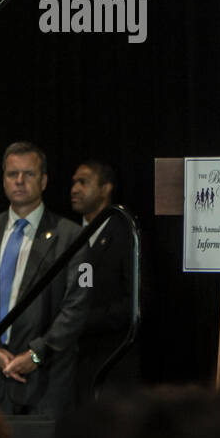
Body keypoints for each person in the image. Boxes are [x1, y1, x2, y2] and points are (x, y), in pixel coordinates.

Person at [0, 142, 90, 417]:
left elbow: (77, 305)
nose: (19, 181)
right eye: (12, 174)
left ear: (44, 180)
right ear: (3, 180)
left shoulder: (71, 236)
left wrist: (37, 353)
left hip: (45, 382)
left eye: (29, 174)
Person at [69, 160, 140, 403]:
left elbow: (135, 301)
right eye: (74, 182)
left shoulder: (127, 234)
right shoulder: (67, 236)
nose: (75, 189)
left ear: (106, 188)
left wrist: (83, 320)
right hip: (71, 365)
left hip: (111, 363)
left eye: (84, 182)